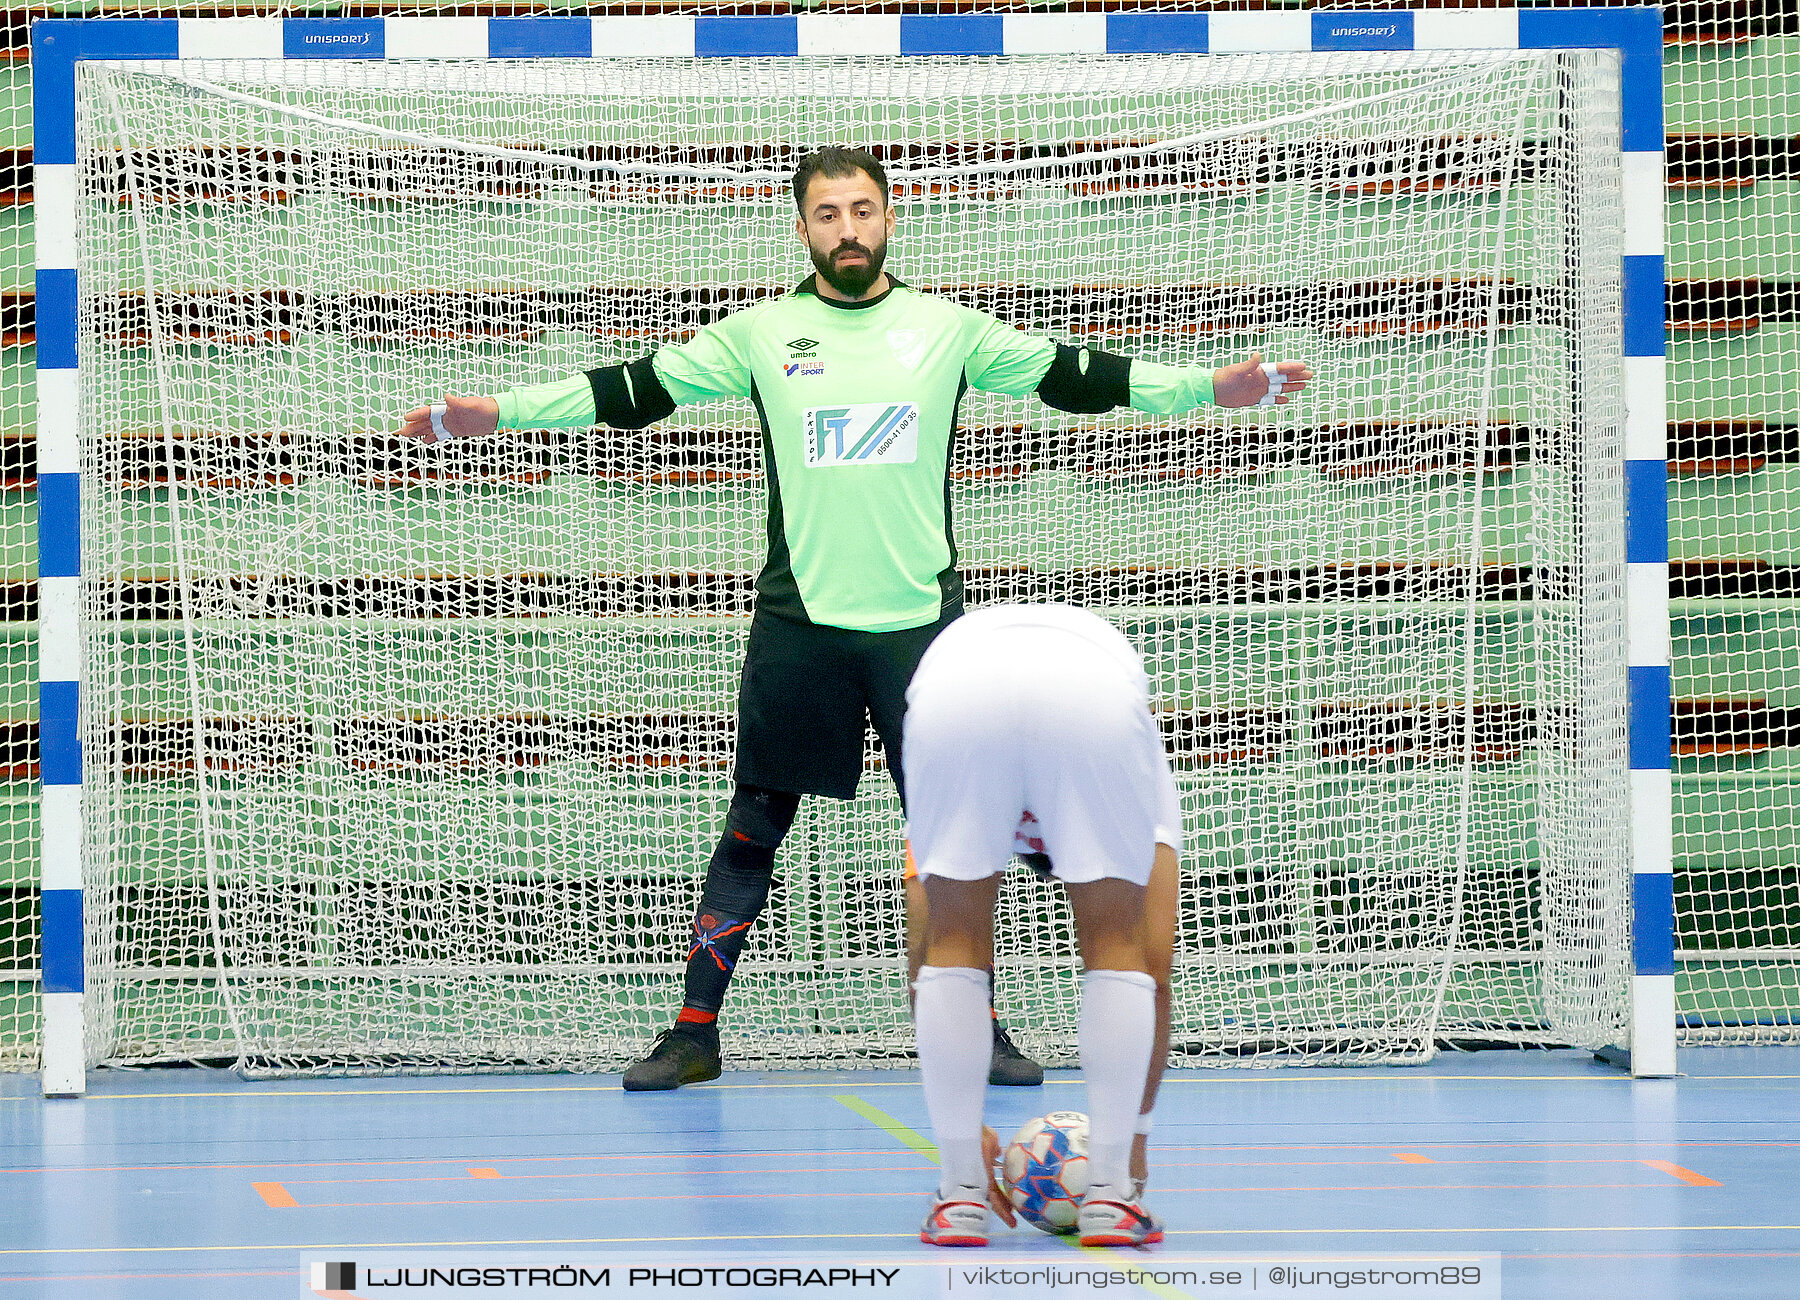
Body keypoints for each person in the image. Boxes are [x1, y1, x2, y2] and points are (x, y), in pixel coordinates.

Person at [398, 146, 1311, 1093]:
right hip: (802, 627)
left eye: (864, 211)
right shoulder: (761, 333)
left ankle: (982, 1028)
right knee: (753, 827)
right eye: (828, 214)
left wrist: (1209, 389)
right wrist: (499, 412)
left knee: (953, 841)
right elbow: (634, 390)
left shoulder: (947, 329)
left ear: (888, 219)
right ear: (803, 228)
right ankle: (693, 1032)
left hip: (922, 636)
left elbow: (1077, 375)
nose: (848, 230)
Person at [907, 603, 1182, 1247]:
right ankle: (1112, 1199)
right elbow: (1154, 966)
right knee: (1116, 943)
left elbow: (925, 956)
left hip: (957, 685)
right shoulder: (1147, 774)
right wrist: (1132, 1147)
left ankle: (959, 1197)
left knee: (955, 940)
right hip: (1085, 688)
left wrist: (958, 1130)